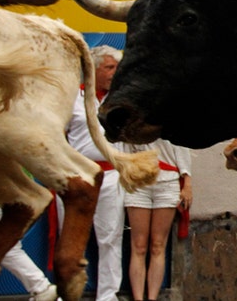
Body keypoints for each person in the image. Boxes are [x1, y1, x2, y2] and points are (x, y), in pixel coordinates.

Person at [64, 45, 127, 301]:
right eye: (109, 67)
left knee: (111, 237)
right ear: (93, 68)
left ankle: (108, 296)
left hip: (111, 176)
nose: (114, 73)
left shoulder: (121, 99)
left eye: (116, 68)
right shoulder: (72, 98)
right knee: (70, 238)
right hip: (77, 176)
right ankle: (65, 292)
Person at [122, 138, 192, 301]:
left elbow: (182, 147)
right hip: (139, 181)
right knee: (138, 245)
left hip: (167, 182)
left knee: (158, 244)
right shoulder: (133, 115)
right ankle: (138, 298)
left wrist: (187, 182)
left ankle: (153, 298)